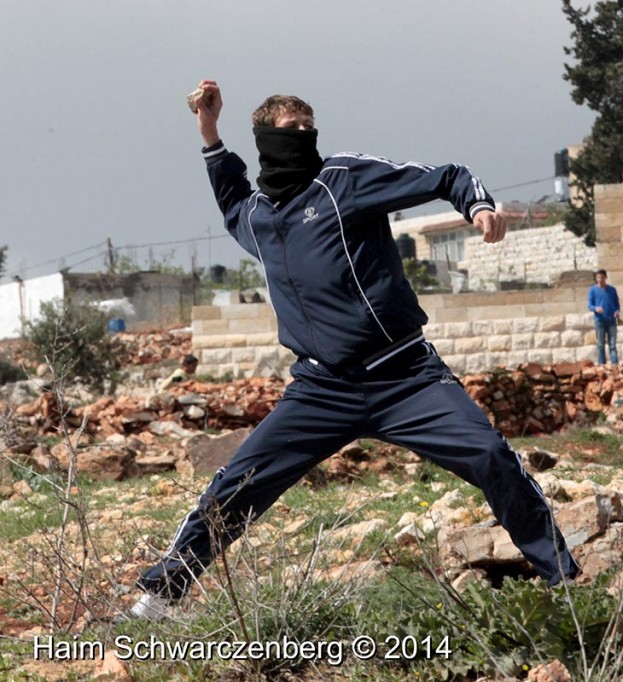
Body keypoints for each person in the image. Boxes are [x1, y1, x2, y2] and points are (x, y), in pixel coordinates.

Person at [127, 80, 579, 620]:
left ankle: (566, 582)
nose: (302, 135)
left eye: (307, 127)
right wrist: (208, 130)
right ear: (264, 138)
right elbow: (228, 193)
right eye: (289, 129)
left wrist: (478, 208)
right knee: (238, 483)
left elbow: (446, 176)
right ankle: (163, 594)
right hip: (321, 390)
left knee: (491, 457)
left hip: (405, 377)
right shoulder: (255, 218)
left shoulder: (344, 179)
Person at [587, 269, 620, 366]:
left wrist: (617, 311)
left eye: (602, 277)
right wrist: (595, 308)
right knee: (600, 344)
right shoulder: (592, 290)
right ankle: (602, 364)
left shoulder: (612, 290)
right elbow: (589, 305)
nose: (600, 279)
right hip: (600, 320)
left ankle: (615, 363)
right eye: (598, 278)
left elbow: (617, 304)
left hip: (611, 320)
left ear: (606, 277)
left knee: (613, 344)